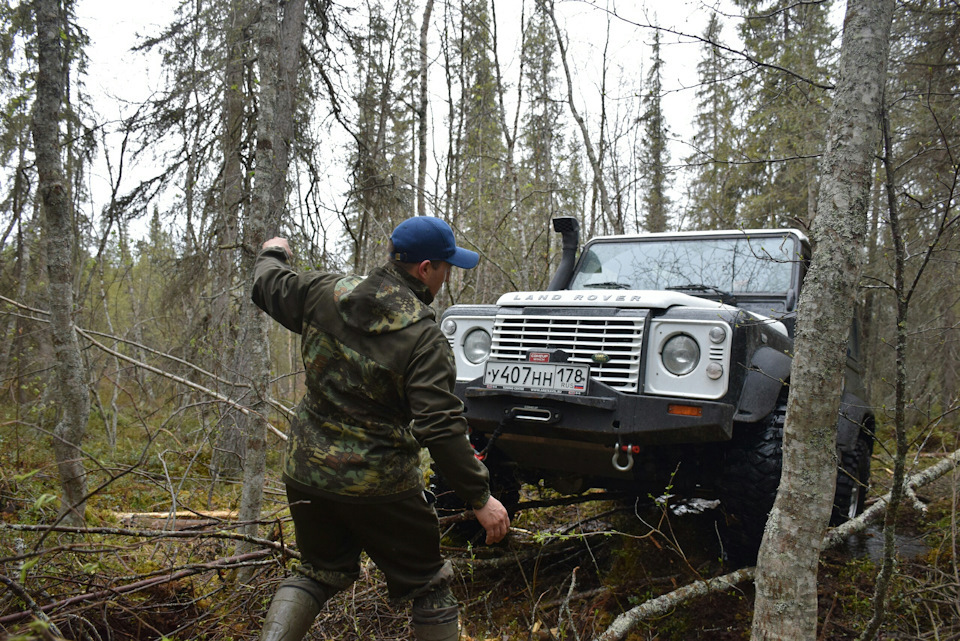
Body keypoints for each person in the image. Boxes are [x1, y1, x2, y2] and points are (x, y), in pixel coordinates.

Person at [251, 215, 511, 641]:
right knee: (430, 587)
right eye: (447, 266)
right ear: (425, 269)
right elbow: (440, 426)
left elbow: (267, 283)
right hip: (380, 487)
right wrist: (480, 497)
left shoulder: (324, 292)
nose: (447, 276)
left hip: (306, 474)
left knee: (318, 573)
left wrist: (274, 251)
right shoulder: (424, 340)